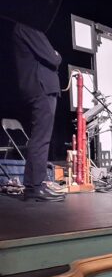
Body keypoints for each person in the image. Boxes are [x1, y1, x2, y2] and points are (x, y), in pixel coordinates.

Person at [11, 22, 64, 202]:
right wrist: (56, 55)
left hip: (39, 88)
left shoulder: (23, 28)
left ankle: (33, 186)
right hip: (41, 87)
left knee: (39, 137)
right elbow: (53, 58)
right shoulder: (29, 27)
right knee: (41, 138)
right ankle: (35, 187)